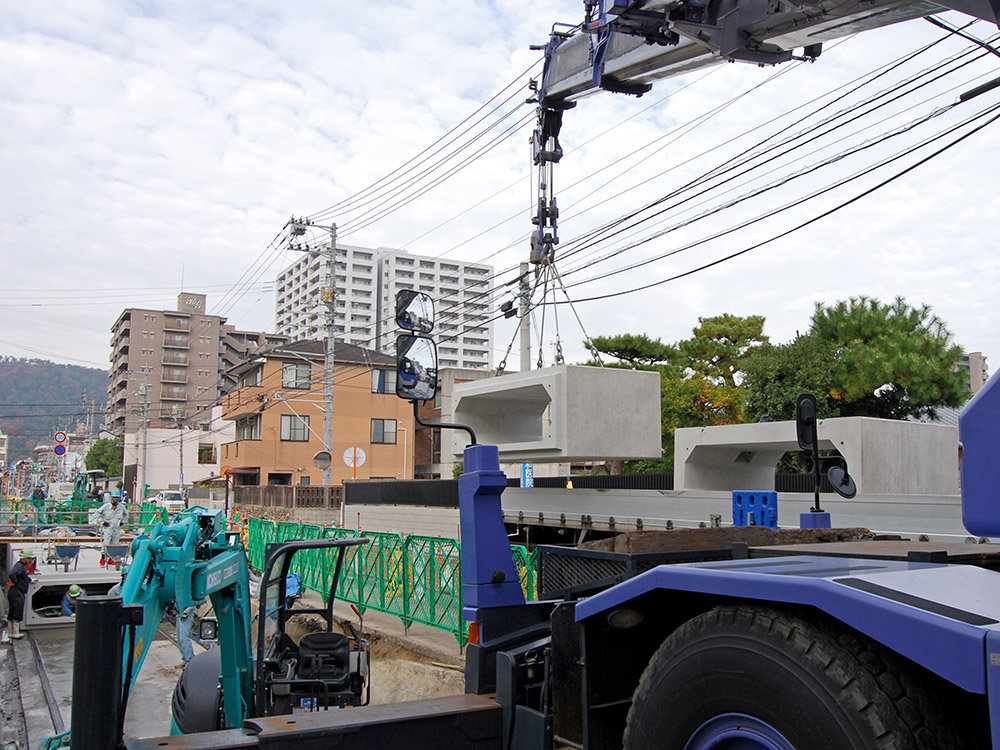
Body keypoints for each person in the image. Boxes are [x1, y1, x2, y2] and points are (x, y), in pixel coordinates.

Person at [7, 548, 35, 639]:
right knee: (17, 611)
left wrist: (30, 580)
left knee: (12, 611)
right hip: (17, 592)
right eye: (29, 558)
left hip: (14, 592)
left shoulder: (20, 566)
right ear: (25, 558)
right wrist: (16, 582)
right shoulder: (19, 566)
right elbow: (12, 573)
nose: (30, 560)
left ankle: (11, 632)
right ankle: (15, 632)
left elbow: (23, 576)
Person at [97, 492, 128, 566]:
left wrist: (123, 522)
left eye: (117, 498)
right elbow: (97, 514)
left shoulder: (121, 507)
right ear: (111, 498)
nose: (115, 499)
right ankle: (103, 559)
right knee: (106, 543)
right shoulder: (106, 506)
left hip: (117, 528)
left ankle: (111, 559)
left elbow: (126, 515)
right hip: (108, 528)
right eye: (114, 498)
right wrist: (102, 522)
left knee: (115, 544)